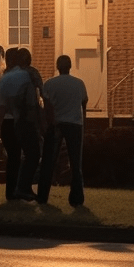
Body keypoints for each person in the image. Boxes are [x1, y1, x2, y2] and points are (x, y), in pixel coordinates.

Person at [37, 55, 88, 206]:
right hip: (74, 124)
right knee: (75, 163)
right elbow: (84, 104)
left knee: (48, 162)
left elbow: (46, 106)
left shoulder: (50, 84)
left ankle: (42, 196)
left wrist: (47, 124)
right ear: (70, 66)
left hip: (56, 124)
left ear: (57, 66)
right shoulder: (79, 84)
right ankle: (77, 198)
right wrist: (83, 123)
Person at [0, 47, 41, 201]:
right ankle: (23, 187)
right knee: (32, 154)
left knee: (13, 158)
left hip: (6, 122)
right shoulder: (26, 75)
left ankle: (11, 191)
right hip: (23, 121)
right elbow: (32, 101)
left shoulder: (4, 78)